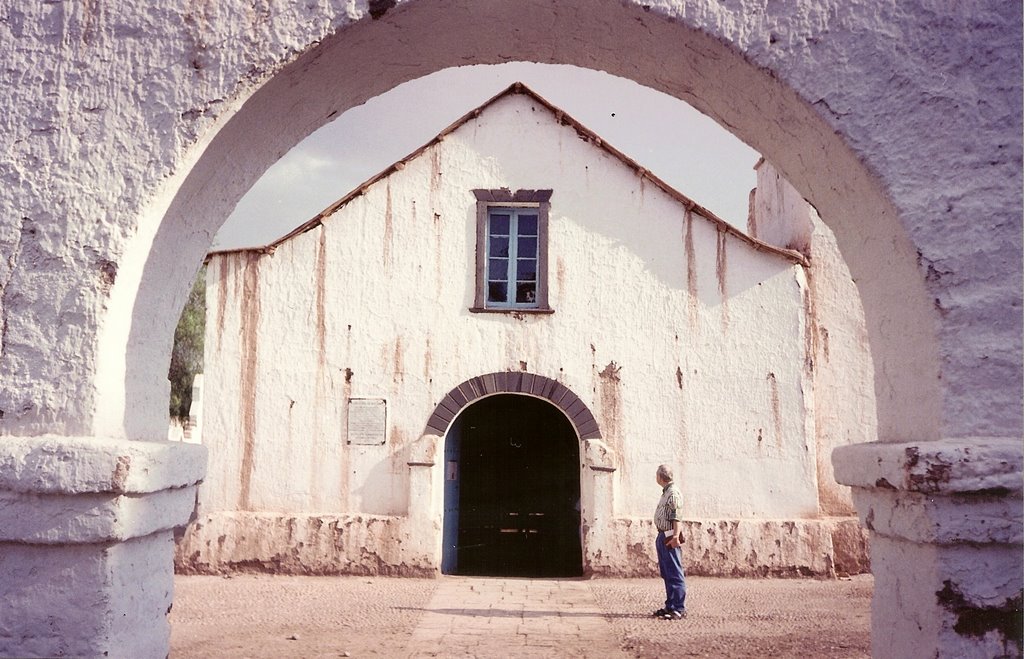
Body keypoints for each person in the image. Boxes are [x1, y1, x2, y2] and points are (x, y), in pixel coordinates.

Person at [653, 464, 687, 620]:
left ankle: (678, 608)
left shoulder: (673, 493)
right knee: (667, 573)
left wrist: (675, 536)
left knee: (674, 572)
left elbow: (676, 517)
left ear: (661, 476)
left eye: (657, 475)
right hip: (663, 535)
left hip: (669, 536)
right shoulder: (666, 492)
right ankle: (670, 605)